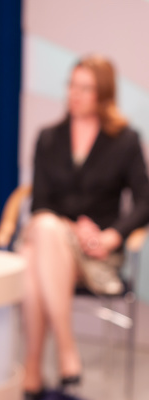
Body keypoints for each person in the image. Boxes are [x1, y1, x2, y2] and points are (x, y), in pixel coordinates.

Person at [20, 55, 149, 399]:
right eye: (71, 85)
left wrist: (111, 236)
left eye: (85, 88)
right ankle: (68, 357)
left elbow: (145, 202)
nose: (74, 94)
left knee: (33, 256)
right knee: (45, 230)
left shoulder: (125, 140)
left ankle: (32, 374)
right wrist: (72, 229)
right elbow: (40, 205)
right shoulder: (48, 137)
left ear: (103, 94)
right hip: (56, 242)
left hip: (97, 254)